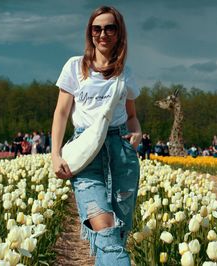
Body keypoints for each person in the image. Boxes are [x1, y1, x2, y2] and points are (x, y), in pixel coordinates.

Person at [51, 6, 141, 265]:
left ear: (119, 32)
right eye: (97, 28)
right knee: (104, 228)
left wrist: (136, 131)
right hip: (86, 153)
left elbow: (132, 116)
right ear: (90, 33)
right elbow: (61, 113)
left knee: (117, 232)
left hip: (121, 153)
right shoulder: (74, 67)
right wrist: (55, 154)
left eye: (110, 28)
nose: (103, 34)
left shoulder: (126, 73)